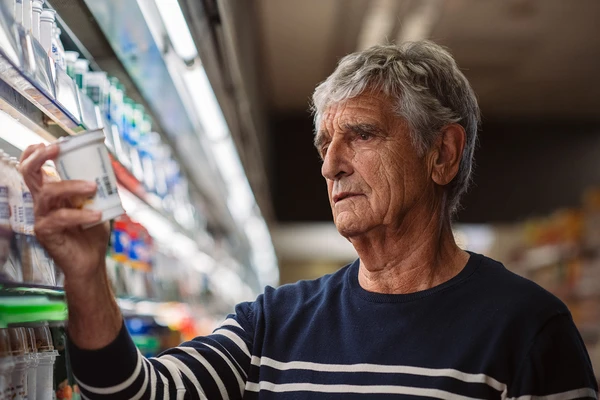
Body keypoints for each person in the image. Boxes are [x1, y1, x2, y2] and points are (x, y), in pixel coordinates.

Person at [20, 41, 597, 399]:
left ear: (441, 154)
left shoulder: (528, 330)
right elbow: (130, 392)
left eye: (361, 135)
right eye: (324, 143)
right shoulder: (272, 324)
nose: (329, 164)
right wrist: (86, 273)